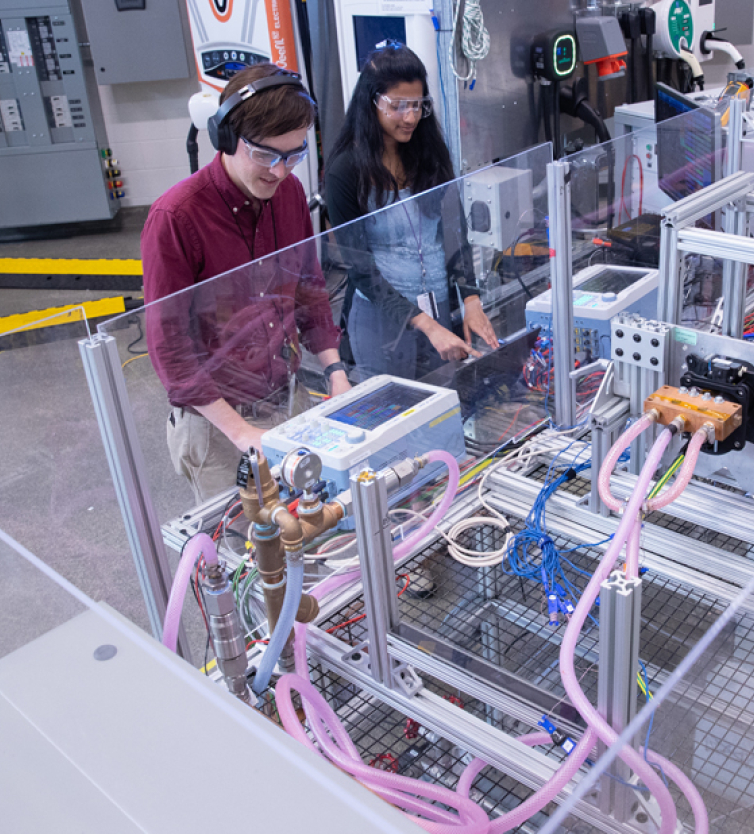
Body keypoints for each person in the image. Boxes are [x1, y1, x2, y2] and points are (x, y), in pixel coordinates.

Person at [142, 63, 350, 502]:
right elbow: (171, 349)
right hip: (219, 424)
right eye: (266, 155)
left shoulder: (289, 193)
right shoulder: (176, 218)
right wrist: (242, 434)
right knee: (248, 553)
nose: (279, 171)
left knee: (311, 529)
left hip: (286, 399)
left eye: (293, 155)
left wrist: (334, 370)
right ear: (226, 137)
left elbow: (309, 287)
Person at [324, 41, 498, 382]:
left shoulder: (428, 155)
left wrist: (471, 299)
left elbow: (453, 234)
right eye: (399, 106)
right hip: (382, 323)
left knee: (444, 409)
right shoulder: (345, 171)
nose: (411, 117)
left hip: (437, 309)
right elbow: (362, 271)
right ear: (371, 102)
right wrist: (427, 325)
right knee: (393, 419)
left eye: (418, 106)